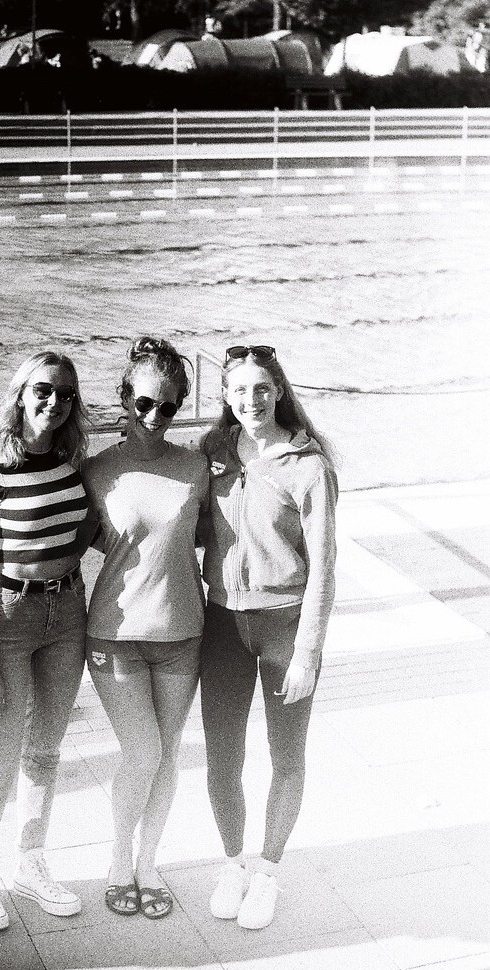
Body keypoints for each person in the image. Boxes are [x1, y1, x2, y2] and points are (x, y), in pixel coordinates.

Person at [199, 344, 337, 931]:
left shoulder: (309, 466)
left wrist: (307, 651)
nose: (251, 399)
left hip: (285, 626)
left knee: (286, 756)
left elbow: (324, 568)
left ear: (278, 391)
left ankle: (268, 871)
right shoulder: (213, 452)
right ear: (225, 397)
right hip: (222, 625)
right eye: (239, 390)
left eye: (261, 388)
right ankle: (234, 863)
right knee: (222, 758)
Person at [0, 350, 90, 932]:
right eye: (43, 390)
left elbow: (85, 530)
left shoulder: (70, 465)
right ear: (20, 395)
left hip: (69, 612)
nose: (54, 402)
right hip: (8, 619)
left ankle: (30, 863)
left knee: (45, 752)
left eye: (65, 394)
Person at [82, 336, 209, 919]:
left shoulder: (195, 467)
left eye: (168, 406)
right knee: (143, 752)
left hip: (183, 633)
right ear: (124, 398)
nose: (155, 416)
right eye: (144, 403)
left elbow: (210, 535)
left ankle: (148, 864)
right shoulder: (97, 470)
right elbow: (70, 538)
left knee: (167, 754)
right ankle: (117, 861)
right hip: (115, 635)